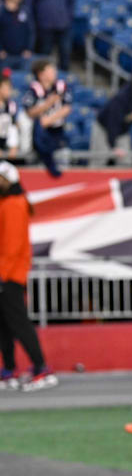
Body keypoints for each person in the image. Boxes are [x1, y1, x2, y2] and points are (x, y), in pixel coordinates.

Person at [0, 161, 57, 392]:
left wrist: (2, 276)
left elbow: (11, 247)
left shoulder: (14, 204)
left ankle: (41, 368)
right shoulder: (8, 202)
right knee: (3, 325)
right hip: (6, 273)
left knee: (18, 323)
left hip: (9, 275)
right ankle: (9, 370)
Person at [25, 0, 75, 71]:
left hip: (63, 26)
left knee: (65, 56)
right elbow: (29, 4)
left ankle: (63, 83)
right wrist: (35, 22)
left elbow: (71, 2)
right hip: (44, 26)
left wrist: (67, 18)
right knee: (44, 57)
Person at [22, 59, 70, 177]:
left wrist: (49, 120)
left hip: (57, 131)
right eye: (51, 70)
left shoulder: (59, 87)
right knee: (38, 167)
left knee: (63, 159)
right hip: (39, 135)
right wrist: (47, 104)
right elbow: (30, 112)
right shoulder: (34, 90)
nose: (54, 72)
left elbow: (67, 107)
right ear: (41, 74)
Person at [0, 0, 34, 70]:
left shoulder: (25, 11)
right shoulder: (1, 11)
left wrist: (29, 49)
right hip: (4, 57)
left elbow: (31, 31)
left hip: (23, 56)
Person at [0, 71, 19, 158]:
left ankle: (13, 151)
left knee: (12, 125)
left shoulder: (11, 105)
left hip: (4, 140)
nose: (9, 91)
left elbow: (13, 126)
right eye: (7, 88)